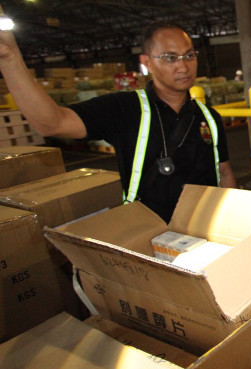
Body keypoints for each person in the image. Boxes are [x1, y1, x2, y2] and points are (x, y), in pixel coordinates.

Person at [0, 20, 236, 222]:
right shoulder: (125, 108)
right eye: (170, 58)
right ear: (147, 62)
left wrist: (233, 217)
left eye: (189, 55)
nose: (183, 66)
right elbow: (53, 123)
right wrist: (10, 59)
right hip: (149, 232)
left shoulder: (209, 117)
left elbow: (223, 172)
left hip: (206, 227)